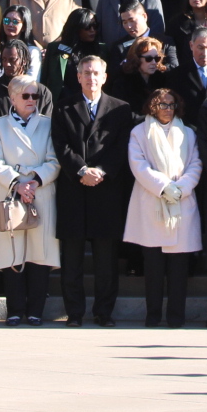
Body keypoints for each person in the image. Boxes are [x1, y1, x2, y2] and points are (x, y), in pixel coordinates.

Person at [55, 56, 137, 327]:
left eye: (96, 73)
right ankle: (75, 313)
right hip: (73, 191)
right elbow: (61, 146)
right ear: (78, 77)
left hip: (107, 192)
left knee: (106, 260)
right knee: (72, 259)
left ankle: (104, 312)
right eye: (86, 73)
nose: (91, 78)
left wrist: (100, 171)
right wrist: (81, 171)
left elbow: (122, 147)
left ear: (105, 77)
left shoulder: (121, 109)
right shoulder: (63, 107)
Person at [125, 88, 203, 327]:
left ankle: (176, 316)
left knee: (179, 267)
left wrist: (181, 188)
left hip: (181, 202)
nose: (167, 109)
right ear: (152, 106)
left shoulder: (189, 133)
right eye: (162, 104)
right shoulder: (139, 132)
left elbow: (196, 163)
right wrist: (164, 186)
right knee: (154, 267)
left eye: (171, 104)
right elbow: (138, 165)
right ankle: (153, 315)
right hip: (152, 202)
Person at [0, 73, 62, 325]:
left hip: (40, 191)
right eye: (26, 95)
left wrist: (35, 181)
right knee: (12, 250)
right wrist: (18, 184)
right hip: (11, 193)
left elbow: (54, 161)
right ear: (12, 98)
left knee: (39, 252)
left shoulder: (48, 123)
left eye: (35, 95)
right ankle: (14, 309)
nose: (32, 100)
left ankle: (35, 310)